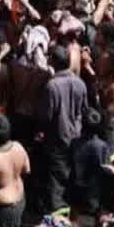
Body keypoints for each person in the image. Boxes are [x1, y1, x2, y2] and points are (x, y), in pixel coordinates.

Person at [38, 43, 87, 213]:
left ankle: (56, 211)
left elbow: (46, 116)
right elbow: (83, 110)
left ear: (53, 62)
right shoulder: (80, 83)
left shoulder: (52, 86)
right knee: (70, 172)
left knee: (55, 178)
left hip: (57, 137)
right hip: (75, 136)